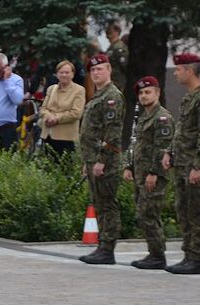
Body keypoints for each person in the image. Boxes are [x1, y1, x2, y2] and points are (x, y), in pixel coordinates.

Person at [162, 52, 200, 274]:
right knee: (183, 210)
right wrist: (169, 152)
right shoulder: (188, 98)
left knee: (196, 212)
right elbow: (181, 132)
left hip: (194, 167)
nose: (175, 73)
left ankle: (196, 258)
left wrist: (198, 166)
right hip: (182, 165)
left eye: (178, 69)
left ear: (189, 71)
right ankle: (188, 255)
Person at [77, 53, 124, 265]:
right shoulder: (98, 96)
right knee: (99, 203)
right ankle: (102, 246)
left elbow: (112, 133)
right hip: (93, 160)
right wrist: (87, 162)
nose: (96, 73)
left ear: (109, 70)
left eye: (100, 69)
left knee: (107, 205)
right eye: (93, 70)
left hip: (106, 162)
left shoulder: (112, 96)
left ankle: (108, 247)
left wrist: (101, 160)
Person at [124, 76, 172, 269]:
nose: (144, 96)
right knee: (143, 213)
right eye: (141, 93)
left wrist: (154, 172)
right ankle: (154, 252)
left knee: (148, 213)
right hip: (141, 174)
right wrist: (130, 166)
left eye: (148, 92)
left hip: (153, 175)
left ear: (157, 93)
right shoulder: (143, 117)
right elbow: (137, 145)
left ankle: (158, 255)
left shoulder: (162, 117)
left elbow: (164, 148)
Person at [38, 60, 86, 157]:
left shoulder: (79, 90)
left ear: (72, 74)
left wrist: (56, 118)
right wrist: (48, 117)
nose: (64, 75)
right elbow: (43, 108)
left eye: (67, 72)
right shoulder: (51, 89)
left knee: (64, 170)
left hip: (66, 138)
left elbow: (76, 113)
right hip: (48, 134)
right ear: (57, 74)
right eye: (61, 72)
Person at [106, 22, 128, 92]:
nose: (107, 35)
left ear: (116, 32)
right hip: (111, 81)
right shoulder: (111, 47)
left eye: (110, 32)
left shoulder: (119, 47)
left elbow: (125, 66)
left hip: (118, 82)